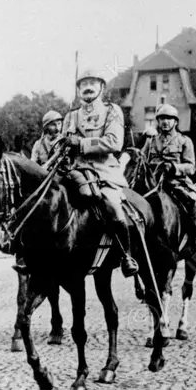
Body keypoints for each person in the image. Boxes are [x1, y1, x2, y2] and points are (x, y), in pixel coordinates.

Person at [60, 69, 138, 277]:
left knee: (112, 205)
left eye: (92, 82)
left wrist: (81, 142)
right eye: (83, 83)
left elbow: (114, 142)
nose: (87, 87)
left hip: (104, 172)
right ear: (78, 90)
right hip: (75, 171)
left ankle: (126, 255)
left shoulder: (112, 111)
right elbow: (64, 145)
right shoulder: (71, 116)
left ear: (101, 87)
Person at [139, 104, 196, 260]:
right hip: (153, 183)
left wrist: (174, 167)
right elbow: (142, 160)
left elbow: (191, 167)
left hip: (176, 182)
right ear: (157, 121)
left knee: (195, 203)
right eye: (162, 118)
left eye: (169, 119)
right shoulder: (151, 141)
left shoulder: (184, 141)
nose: (165, 122)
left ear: (175, 122)